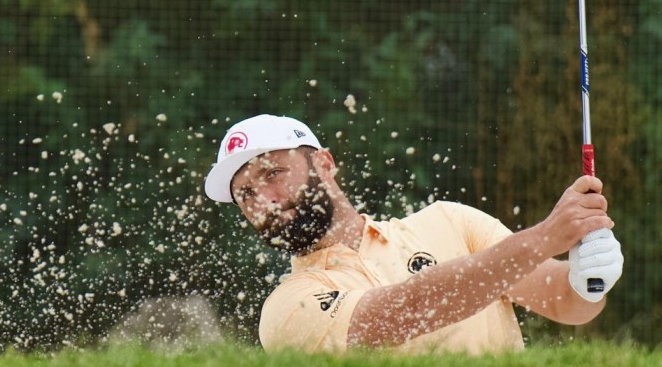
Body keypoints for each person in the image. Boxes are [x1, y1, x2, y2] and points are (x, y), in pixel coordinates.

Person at [204, 114, 624, 354]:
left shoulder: (449, 221)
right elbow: (407, 309)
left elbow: (567, 305)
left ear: (325, 164)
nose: (264, 198)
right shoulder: (286, 308)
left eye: (273, 173)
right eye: (245, 194)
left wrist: (586, 280)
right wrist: (544, 239)